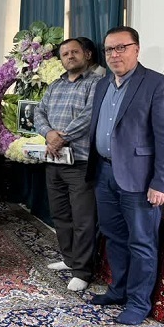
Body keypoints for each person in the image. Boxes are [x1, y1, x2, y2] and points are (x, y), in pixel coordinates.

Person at [87, 26, 164, 325]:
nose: (114, 54)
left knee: (141, 242)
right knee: (114, 237)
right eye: (109, 49)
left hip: (140, 180)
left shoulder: (157, 85)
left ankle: (139, 304)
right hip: (104, 173)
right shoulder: (102, 85)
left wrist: (161, 182)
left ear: (136, 49)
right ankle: (119, 291)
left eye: (121, 47)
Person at [34, 38, 101, 292]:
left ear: (87, 54)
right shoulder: (55, 85)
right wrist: (49, 133)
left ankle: (82, 271)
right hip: (54, 161)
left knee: (83, 219)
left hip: (80, 162)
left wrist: (62, 138)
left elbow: (90, 116)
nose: (69, 56)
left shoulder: (96, 83)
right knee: (61, 215)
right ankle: (69, 259)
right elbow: (39, 113)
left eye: (74, 52)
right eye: (65, 54)